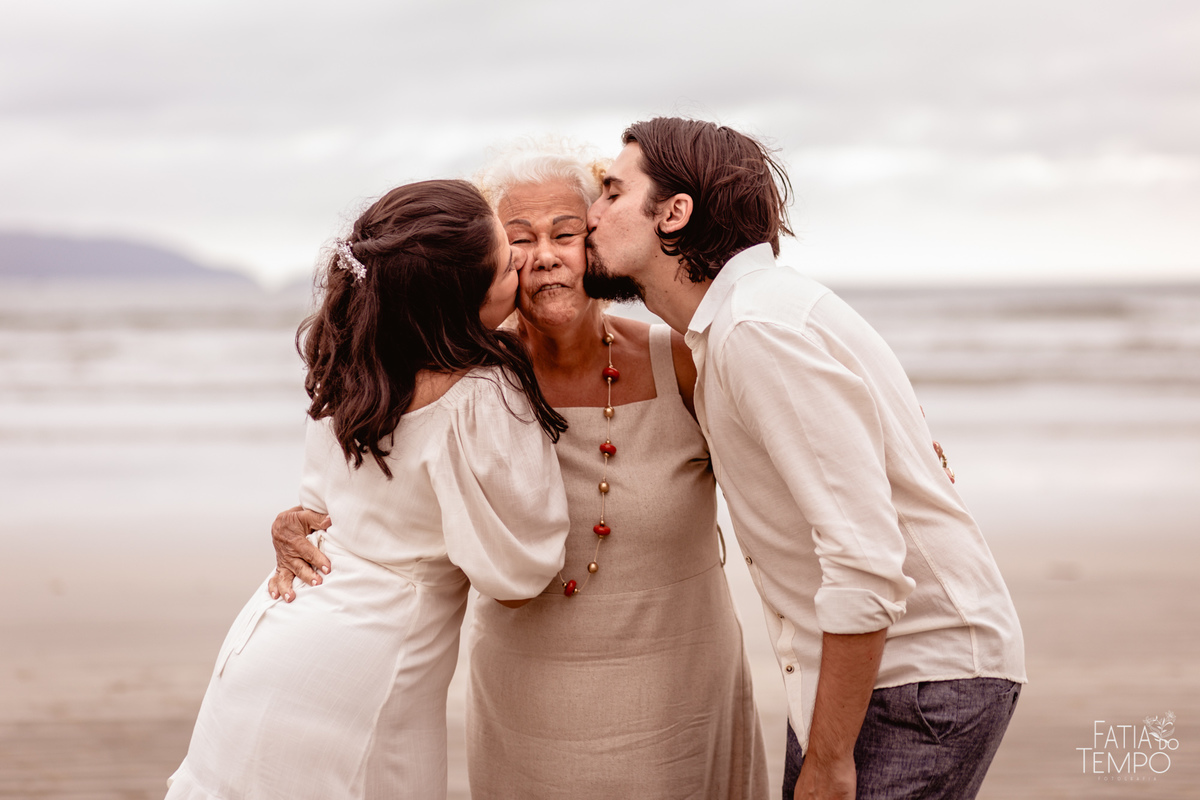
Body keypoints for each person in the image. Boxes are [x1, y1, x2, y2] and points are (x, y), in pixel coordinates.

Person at [270, 143, 769, 798]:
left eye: (566, 233)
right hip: (531, 711)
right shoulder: (465, 385)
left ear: (597, 241)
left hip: (683, 698)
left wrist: (891, 448)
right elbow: (370, 487)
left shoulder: (681, 360)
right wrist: (296, 526)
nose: (544, 256)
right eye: (519, 241)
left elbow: (793, 453)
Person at [583, 118, 1026, 800]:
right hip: (863, 674)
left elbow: (865, 558)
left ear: (674, 213)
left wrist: (828, 759)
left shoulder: (758, 330)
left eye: (612, 192)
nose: (591, 215)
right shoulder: (744, 321)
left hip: (913, 683)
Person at [166, 179, 572, 800]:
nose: (522, 259)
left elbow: (318, 509)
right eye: (505, 264)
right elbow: (518, 577)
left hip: (274, 641)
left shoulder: (355, 366)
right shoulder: (484, 395)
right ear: (459, 307)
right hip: (370, 672)